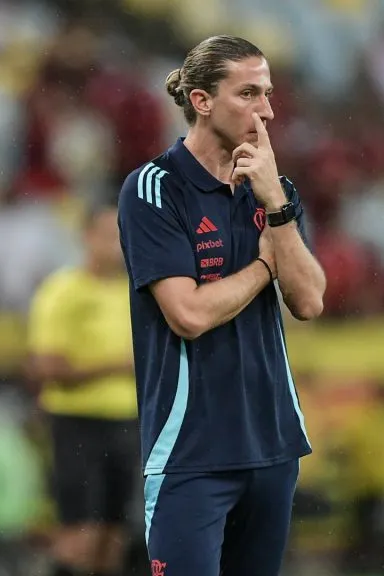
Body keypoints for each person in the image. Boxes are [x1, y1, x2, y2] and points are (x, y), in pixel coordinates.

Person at [117, 35, 326, 576]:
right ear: (203, 101)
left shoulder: (275, 191)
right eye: (249, 93)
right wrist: (261, 268)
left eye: (269, 93)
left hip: (274, 444)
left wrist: (276, 207)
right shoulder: (154, 189)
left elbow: (309, 300)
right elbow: (187, 315)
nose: (267, 111)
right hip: (192, 453)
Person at [27, 201, 138, 576]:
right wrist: (120, 366)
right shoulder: (63, 291)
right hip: (78, 423)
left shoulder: (138, 291)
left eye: (121, 235)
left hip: (129, 422)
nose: (117, 245)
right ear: (86, 237)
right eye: (108, 235)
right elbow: (47, 367)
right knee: (79, 533)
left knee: (114, 535)